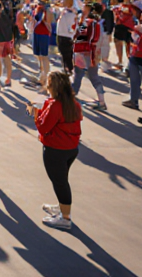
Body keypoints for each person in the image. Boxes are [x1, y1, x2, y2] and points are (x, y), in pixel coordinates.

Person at [28, 71, 82, 230]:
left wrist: (35, 113)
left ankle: (65, 217)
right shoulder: (73, 103)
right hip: (71, 148)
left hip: (56, 148)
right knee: (62, 179)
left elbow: (43, 127)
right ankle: (61, 207)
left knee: (60, 182)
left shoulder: (55, 105)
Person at [70, 3, 107, 111]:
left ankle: (101, 101)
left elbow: (90, 39)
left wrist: (90, 53)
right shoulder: (90, 22)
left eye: (85, 9)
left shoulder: (91, 23)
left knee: (88, 76)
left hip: (86, 53)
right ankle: (73, 96)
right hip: (85, 52)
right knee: (80, 75)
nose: (83, 10)